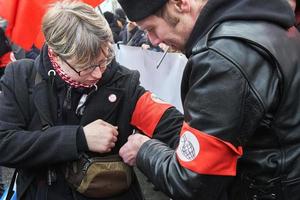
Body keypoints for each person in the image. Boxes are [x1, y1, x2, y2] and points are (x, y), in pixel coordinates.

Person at [0, 1, 183, 200]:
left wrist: (148, 149)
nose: (98, 73)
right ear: (56, 54)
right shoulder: (21, 77)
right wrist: (78, 138)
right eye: (86, 66)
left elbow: (173, 126)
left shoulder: (123, 83)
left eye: (104, 60)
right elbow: (5, 143)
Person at [117, 0, 300, 199]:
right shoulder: (259, 24)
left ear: (180, 4)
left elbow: (192, 182)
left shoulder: (220, 59)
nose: (152, 40)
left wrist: (144, 149)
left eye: (151, 28)